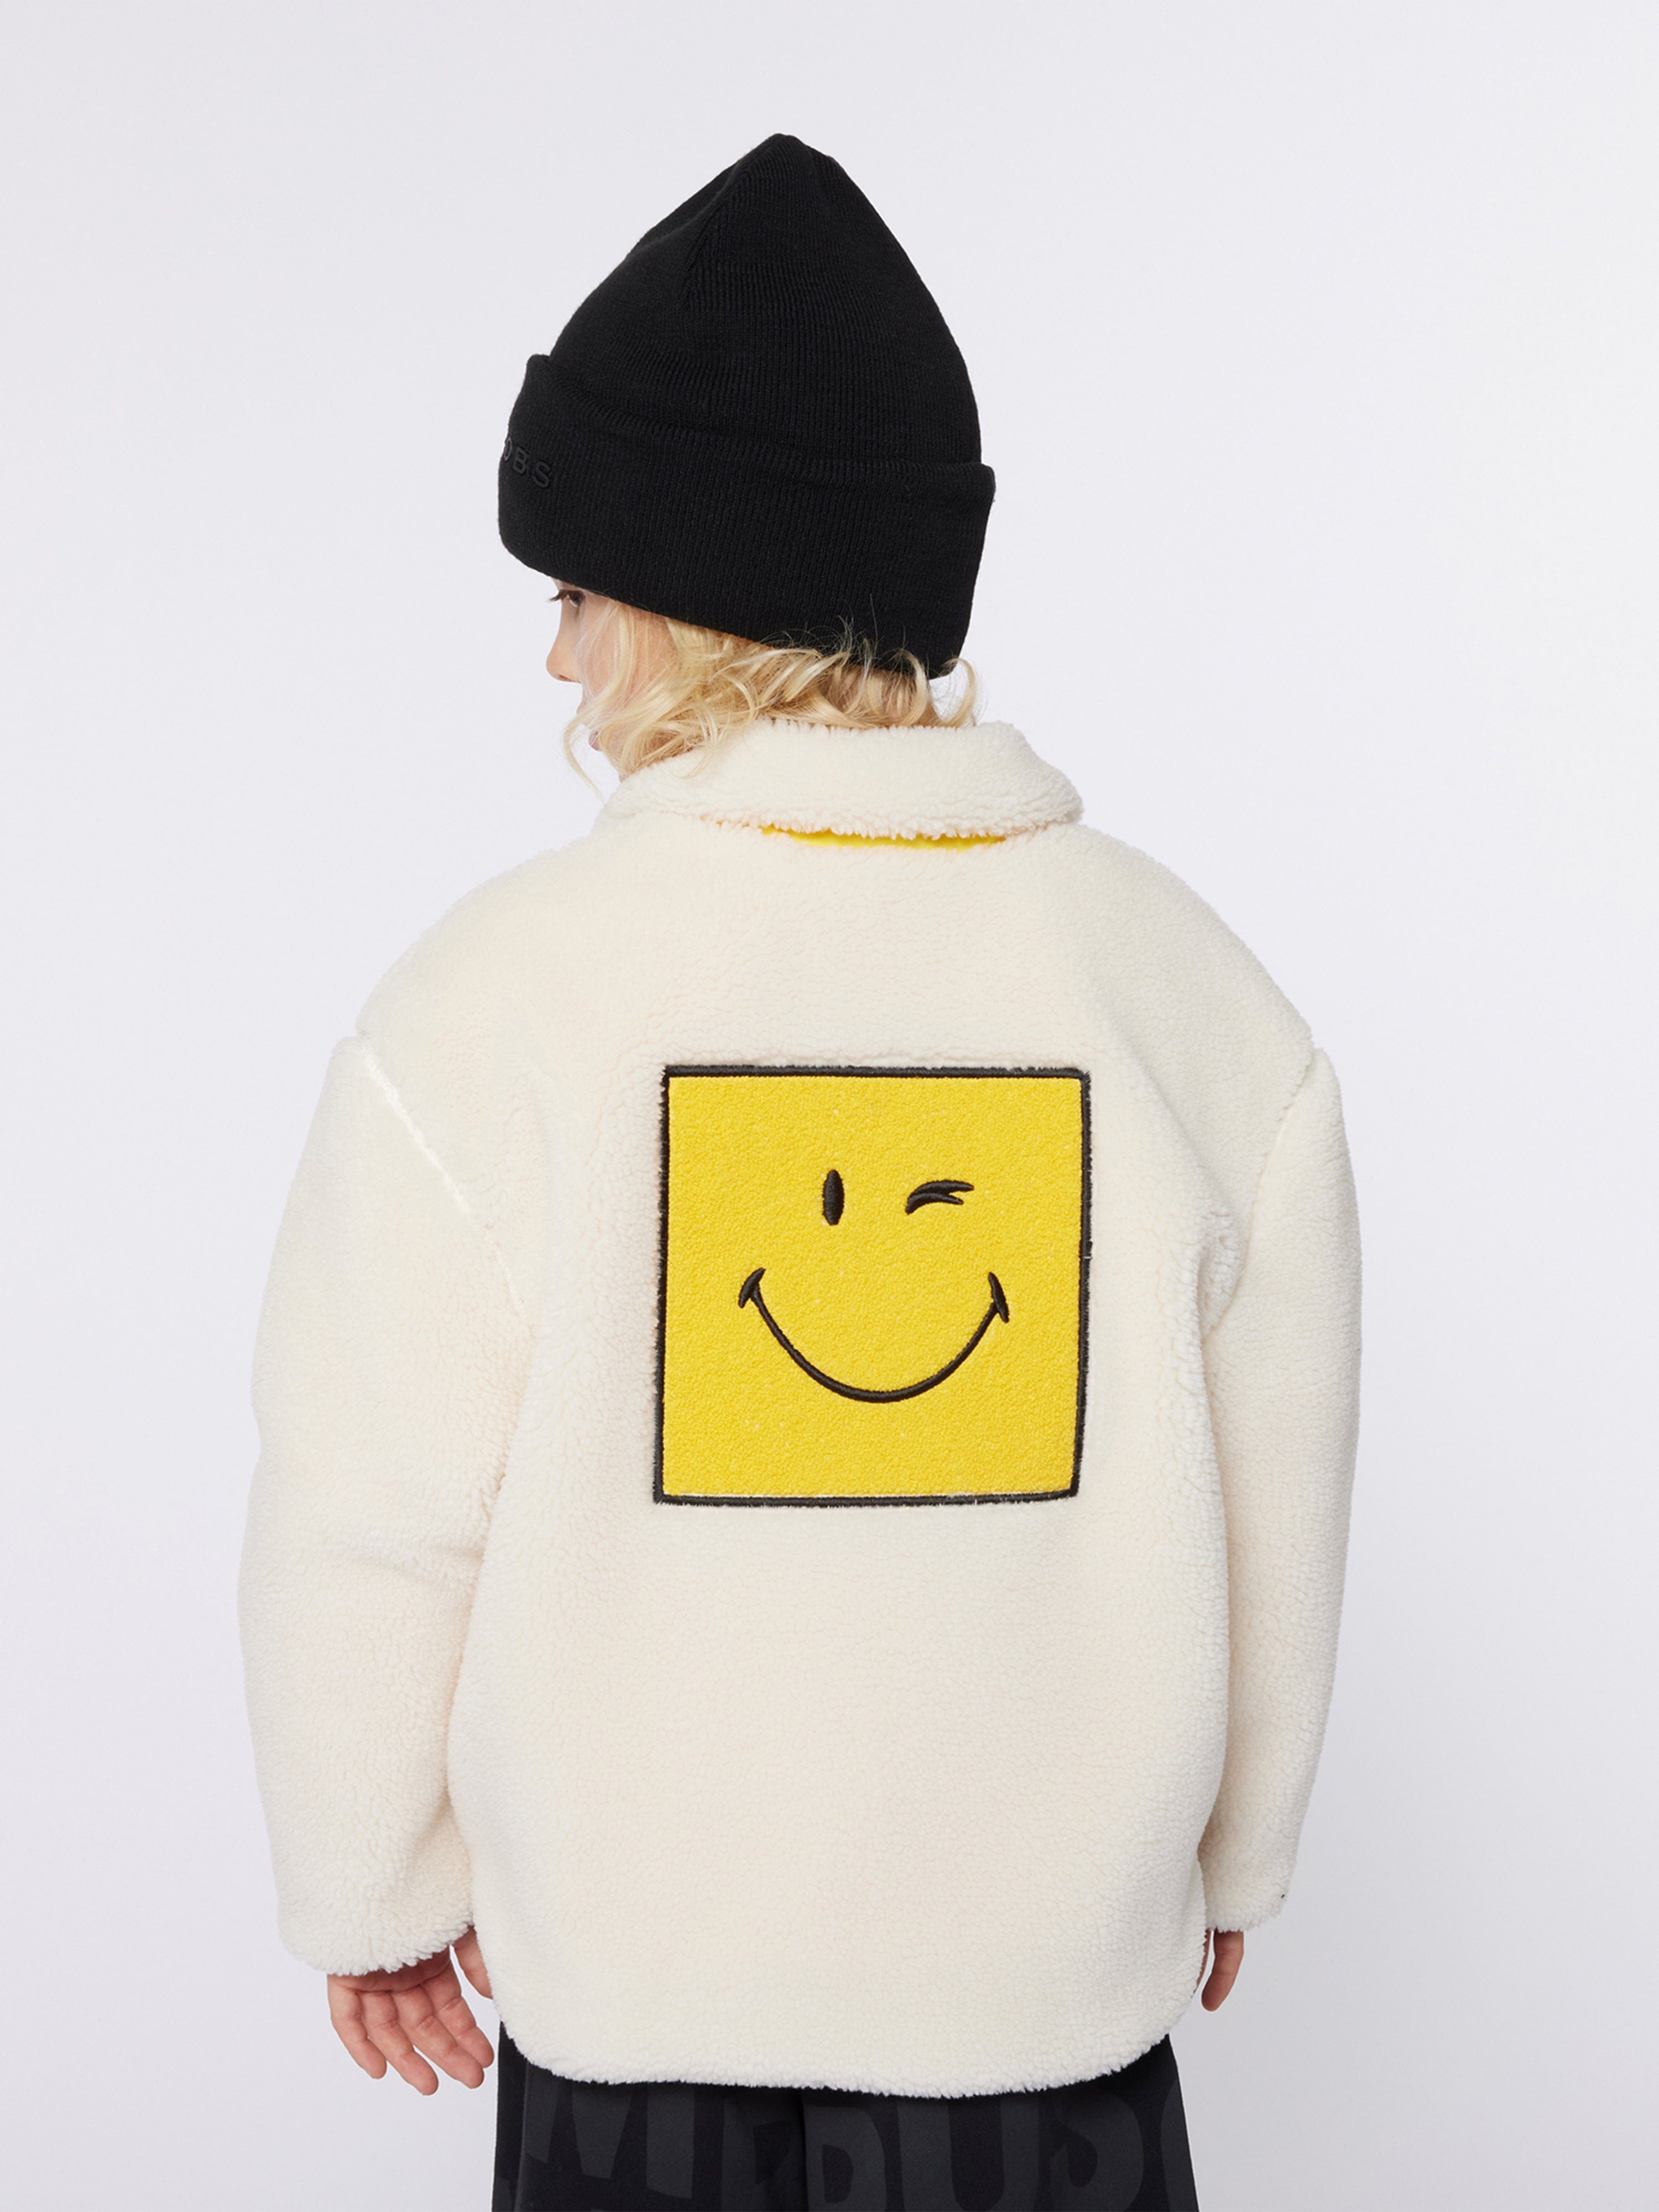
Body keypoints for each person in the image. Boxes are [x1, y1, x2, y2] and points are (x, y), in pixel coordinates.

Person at [241, 134, 1360, 2212]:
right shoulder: (1180, 989)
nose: (557, 661)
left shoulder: (498, 998)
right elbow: (1276, 1482)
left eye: (576, 597)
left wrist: (368, 1880)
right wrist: (1238, 1846)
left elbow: (373, 1509)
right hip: (1044, 2032)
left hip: (634, 2026)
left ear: (690, 594)